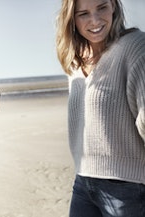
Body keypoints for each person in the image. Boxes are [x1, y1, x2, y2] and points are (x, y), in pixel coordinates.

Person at [55, 0, 145, 216]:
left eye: (102, 7)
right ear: (72, 20)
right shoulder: (74, 62)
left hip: (127, 187)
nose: (95, 20)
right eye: (83, 13)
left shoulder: (135, 46)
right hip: (83, 181)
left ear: (114, 5)